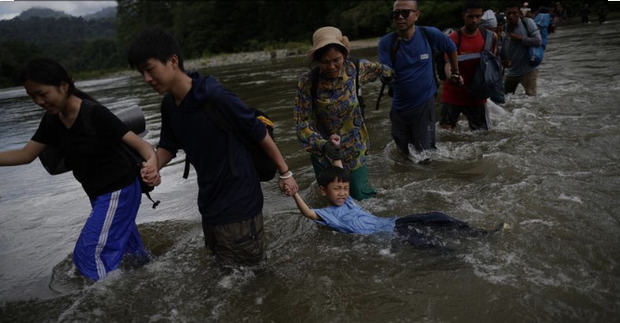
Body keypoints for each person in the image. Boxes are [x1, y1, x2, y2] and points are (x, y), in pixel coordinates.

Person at [128, 28, 298, 265]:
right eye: (141, 73)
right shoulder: (169, 105)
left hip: (240, 201)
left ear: (173, 61)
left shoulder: (214, 96)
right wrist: (153, 165)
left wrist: (285, 173)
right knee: (225, 273)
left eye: (150, 69)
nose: (146, 79)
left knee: (249, 276)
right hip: (209, 203)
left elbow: (258, 132)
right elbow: (168, 146)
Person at [0, 58, 156, 281]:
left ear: (64, 86)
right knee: (132, 256)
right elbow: (26, 155)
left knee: (89, 256)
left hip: (118, 191)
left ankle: (109, 309)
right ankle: (150, 282)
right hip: (99, 194)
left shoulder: (94, 114)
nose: (39, 101)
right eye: (32, 96)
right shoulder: (53, 120)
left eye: (42, 94)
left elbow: (142, 146)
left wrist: (151, 165)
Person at [290, 165, 500, 248]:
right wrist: (294, 193)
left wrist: (334, 146)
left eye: (345, 188)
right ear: (324, 191)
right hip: (389, 235)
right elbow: (307, 213)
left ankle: (479, 234)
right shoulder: (328, 214)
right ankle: (463, 254)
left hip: (394, 222)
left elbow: (340, 171)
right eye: (337, 189)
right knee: (428, 243)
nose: (343, 192)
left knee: (437, 216)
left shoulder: (349, 200)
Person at [294, 26, 392, 201]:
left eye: (336, 60)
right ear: (317, 60)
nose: (331, 66)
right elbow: (302, 124)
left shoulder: (356, 68)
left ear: (344, 56)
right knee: (333, 200)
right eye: (325, 62)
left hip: (354, 147)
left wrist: (392, 81)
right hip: (323, 152)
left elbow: (384, 70)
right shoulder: (308, 82)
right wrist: (324, 145)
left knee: (361, 196)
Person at [378, 0, 462, 162]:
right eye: (396, 14)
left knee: (425, 155)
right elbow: (385, 67)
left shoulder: (429, 34)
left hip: (424, 104)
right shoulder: (387, 42)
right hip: (399, 107)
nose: (400, 17)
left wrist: (455, 72)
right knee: (403, 155)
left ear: (417, 15)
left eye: (405, 13)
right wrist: (384, 74)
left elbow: (451, 48)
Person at [440, 2, 498, 132]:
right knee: (445, 133)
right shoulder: (452, 39)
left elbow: (492, 64)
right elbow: (447, 64)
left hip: (477, 96)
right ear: (463, 16)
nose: (474, 20)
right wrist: (453, 75)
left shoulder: (489, 37)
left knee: (482, 136)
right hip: (453, 95)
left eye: (478, 16)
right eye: (470, 16)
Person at [502, 3, 542, 96]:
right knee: (504, 99)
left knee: (531, 99)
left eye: (514, 13)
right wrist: (503, 59)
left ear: (520, 13)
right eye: (509, 13)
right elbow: (503, 46)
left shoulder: (528, 23)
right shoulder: (505, 28)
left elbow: (538, 41)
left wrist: (521, 38)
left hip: (528, 70)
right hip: (512, 71)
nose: (511, 16)